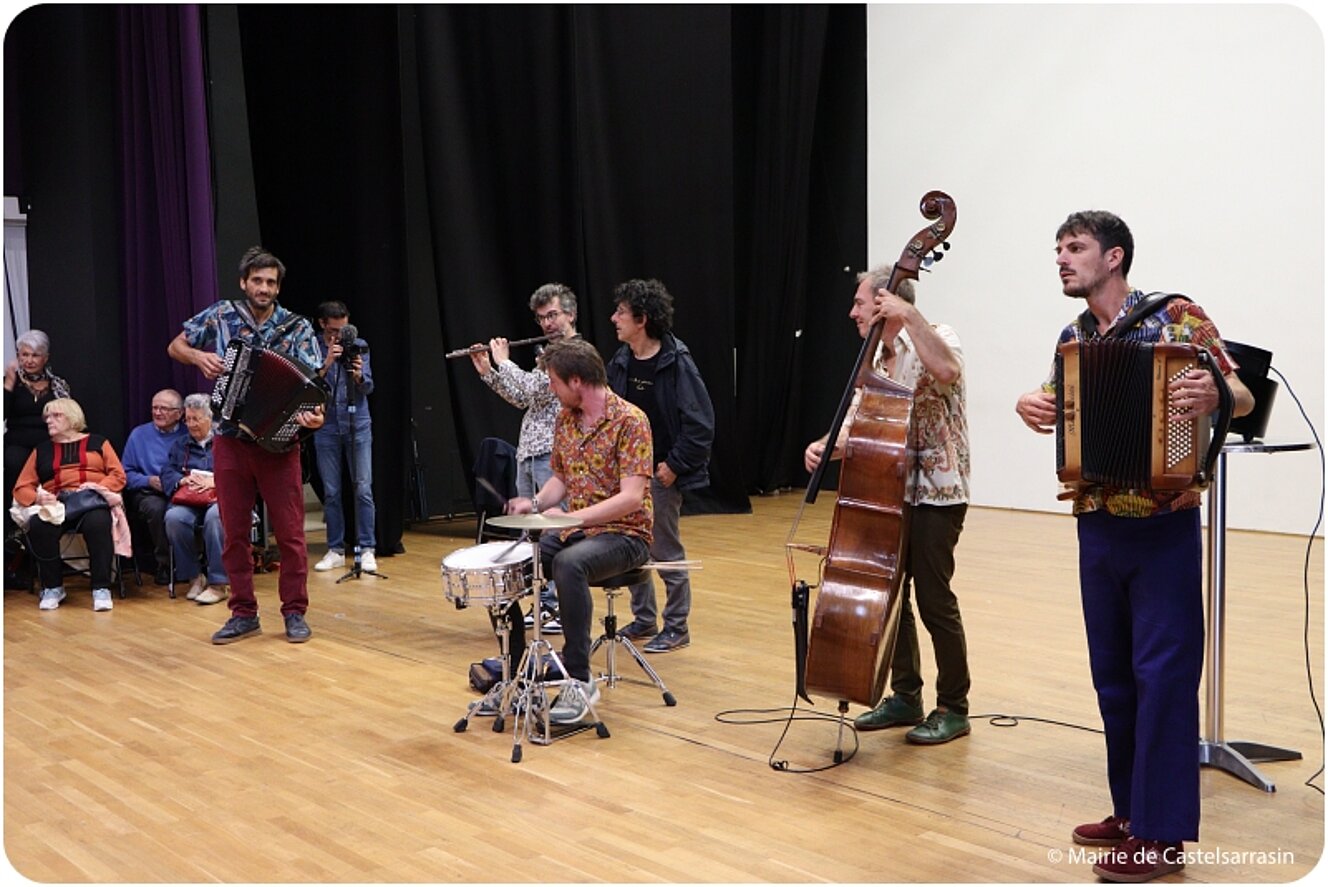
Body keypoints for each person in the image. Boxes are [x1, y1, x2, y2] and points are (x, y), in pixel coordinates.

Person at [1014, 210, 1253, 883]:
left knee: (1165, 679)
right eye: (1058, 249)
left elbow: (1241, 393)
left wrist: (1214, 391)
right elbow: (1057, 402)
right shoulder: (1073, 336)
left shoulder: (1177, 317)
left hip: (1162, 525)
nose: (1062, 258)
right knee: (1114, 679)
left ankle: (1163, 836)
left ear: (1114, 256)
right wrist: (1033, 406)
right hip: (1096, 524)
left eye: (1075, 247)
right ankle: (1130, 813)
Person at [804, 265, 973, 746]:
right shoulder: (876, 358)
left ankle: (953, 706)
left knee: (934, 599)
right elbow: (861, 420)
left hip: (938, 491)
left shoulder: (938, 336)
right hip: (889, 491)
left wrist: (910, 316)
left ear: (885, 303)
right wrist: (826, 445)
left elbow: (947, 371)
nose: (852, 312)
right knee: (889, 593)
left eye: (860, 302)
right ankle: (905, 695)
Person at [167, 246, 324, 644]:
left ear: (278, 287)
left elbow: (312, 388)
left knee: (290, 535)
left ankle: (294, 611)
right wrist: (198, 357)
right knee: (234, 532)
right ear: (243, 282)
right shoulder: (221, 315)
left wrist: (315, 416)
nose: (264, 288)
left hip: (279, 444)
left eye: (271, 282)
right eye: (257, 280)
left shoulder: (297, 327)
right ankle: (243, 613)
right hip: (230, 438)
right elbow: (175, 346)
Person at [504, 337, 653, 725]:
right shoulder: (565, 420)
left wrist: (574, 519)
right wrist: (535, 503)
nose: (551, 389)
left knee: (569, 564)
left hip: (626, 535)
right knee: (511, 565)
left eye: (554, 382)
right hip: (581, 531)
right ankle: (514, 674)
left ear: (575, 381)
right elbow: (560, 479)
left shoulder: (631, 420)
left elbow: (632, 498)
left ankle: (579, 679)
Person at [606, 278, 714, 654]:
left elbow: (700, 425)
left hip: (661, 474)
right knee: (632, 545)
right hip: (627, 476)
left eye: (621, 312)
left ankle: (677, 626)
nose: (614, 318)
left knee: (665, 551)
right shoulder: (621, 361)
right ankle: (644, 618)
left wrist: (674, 466)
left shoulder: (676, 361)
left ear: (642, 319)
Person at [469, 282, 580, 628]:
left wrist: (504, 361)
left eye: (553, 315)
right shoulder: (547, 354)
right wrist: (489, 372)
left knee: (553, 531)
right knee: (531, 534)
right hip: (529, 452)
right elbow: (524, 399)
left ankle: (558, 606)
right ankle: (543, 602)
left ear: (570, 315)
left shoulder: (574, 353)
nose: (547, 323)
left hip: (553, 454)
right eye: (541, 318)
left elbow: (534, 387)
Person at [11, 397, 128, 611]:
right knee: (39, 525)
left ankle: (101, 588)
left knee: (98, 521)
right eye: (47, 417)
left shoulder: (98, 442)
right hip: (57, 504)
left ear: (72, 418)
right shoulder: (41, 450)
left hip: (90, 501)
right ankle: (52, 587)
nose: (49, 420)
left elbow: (118, 475)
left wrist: (97, 487)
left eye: (56, 415)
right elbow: (21, 487)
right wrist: (38, 498)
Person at [310, 301, 377, 574]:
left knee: (363, 488)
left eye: (343, 329)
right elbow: (308, 384)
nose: (339, 336)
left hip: (357, 424)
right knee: (332, 491)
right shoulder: (312, 345)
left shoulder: (358, 345)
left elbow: (369, 387)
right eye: (334, 330)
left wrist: (359, 375)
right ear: (322, 324)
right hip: (326, 426)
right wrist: (327, 362)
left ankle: (367, 548)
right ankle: (335, 549)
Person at [4, 330, 71, 587]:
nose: (29, 360)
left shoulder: (58, 385)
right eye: (24, 355)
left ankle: (49, 549)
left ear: (46, 358)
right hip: (17, 445)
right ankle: (13, 547)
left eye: (35, 355)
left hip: (49, 446)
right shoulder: (10, 382)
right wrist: (9, 384)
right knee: (13, 463)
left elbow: (71, 417)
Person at [161, 393, 227, 605]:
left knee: (216, 518)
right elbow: (167, 471)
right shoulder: (181, 444)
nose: (190, 424)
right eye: (188, 419)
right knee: (174, 518)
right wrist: (182, 480)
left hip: (219, 497)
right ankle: (194, 577)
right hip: (190, 498)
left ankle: (218, 583)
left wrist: (216, 480)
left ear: (210, 418)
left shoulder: (226, 440)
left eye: (196, 419)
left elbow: (242, 472)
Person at [121, 389, 189, 584]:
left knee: (185, 511)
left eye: (164, 409)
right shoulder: (138, 435)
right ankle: (165, 564)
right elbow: (125, 474)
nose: (158, 413)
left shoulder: (188, 434)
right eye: (155, 408)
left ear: (179, 413)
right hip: (149, 492)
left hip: (181, 489)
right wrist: (148, 480)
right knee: (157, 509)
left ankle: (190, 563)